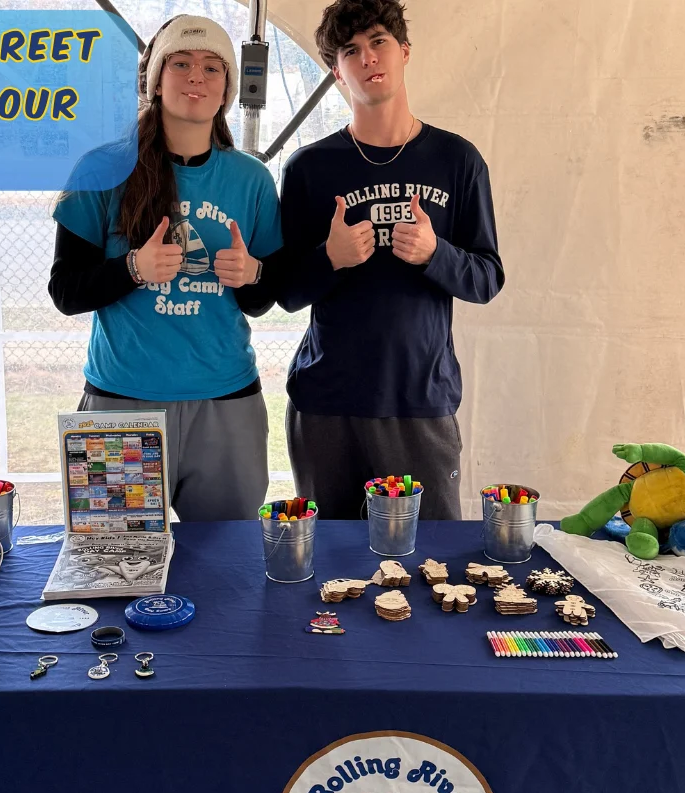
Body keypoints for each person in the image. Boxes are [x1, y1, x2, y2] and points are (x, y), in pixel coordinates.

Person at [276, 0, 504, 520]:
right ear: (337, 72)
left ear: (404, 51)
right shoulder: (310, 167)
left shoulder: (457, 160)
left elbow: (488, 278)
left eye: (378, 42)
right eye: (350, 51)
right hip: (327, 403)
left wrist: (435, 253)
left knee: (430, 558)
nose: (367, 58)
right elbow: (285, 293)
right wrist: (329, 258)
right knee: (330, 559)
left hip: (419, 401)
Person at [49, 14, 283, 520]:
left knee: (227, 558)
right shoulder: (101, 170)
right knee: (114, 556)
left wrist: (252, 275)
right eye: (181, 63)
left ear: (227, 90)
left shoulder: (253, 180)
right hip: (121, 404)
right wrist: (133, 268)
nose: (196, 76)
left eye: (212, 67)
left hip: (226, 405)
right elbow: (65, 292)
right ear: (155, 80)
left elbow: (262, 300)